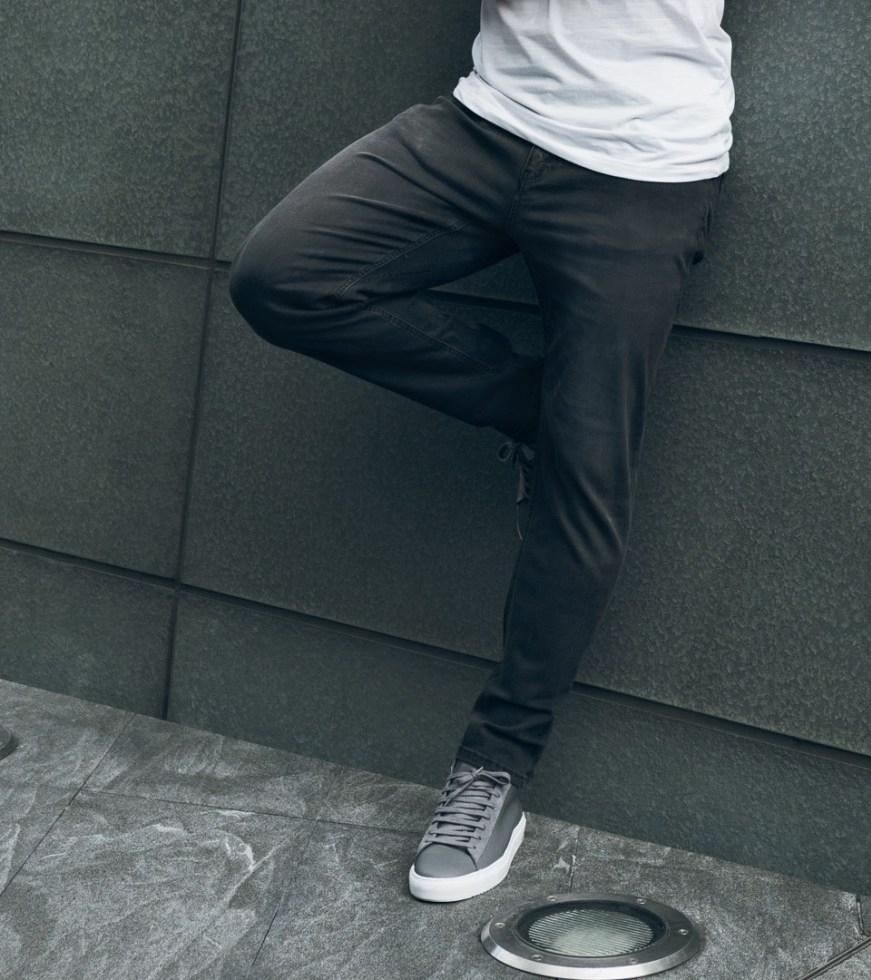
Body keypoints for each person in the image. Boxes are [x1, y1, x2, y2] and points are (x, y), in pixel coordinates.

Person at [228, 0, 733, 904]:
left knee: (586, 490)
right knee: (284, 276)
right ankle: (542, 414)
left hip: (643, 167)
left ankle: (493, 769)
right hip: (487, 125)